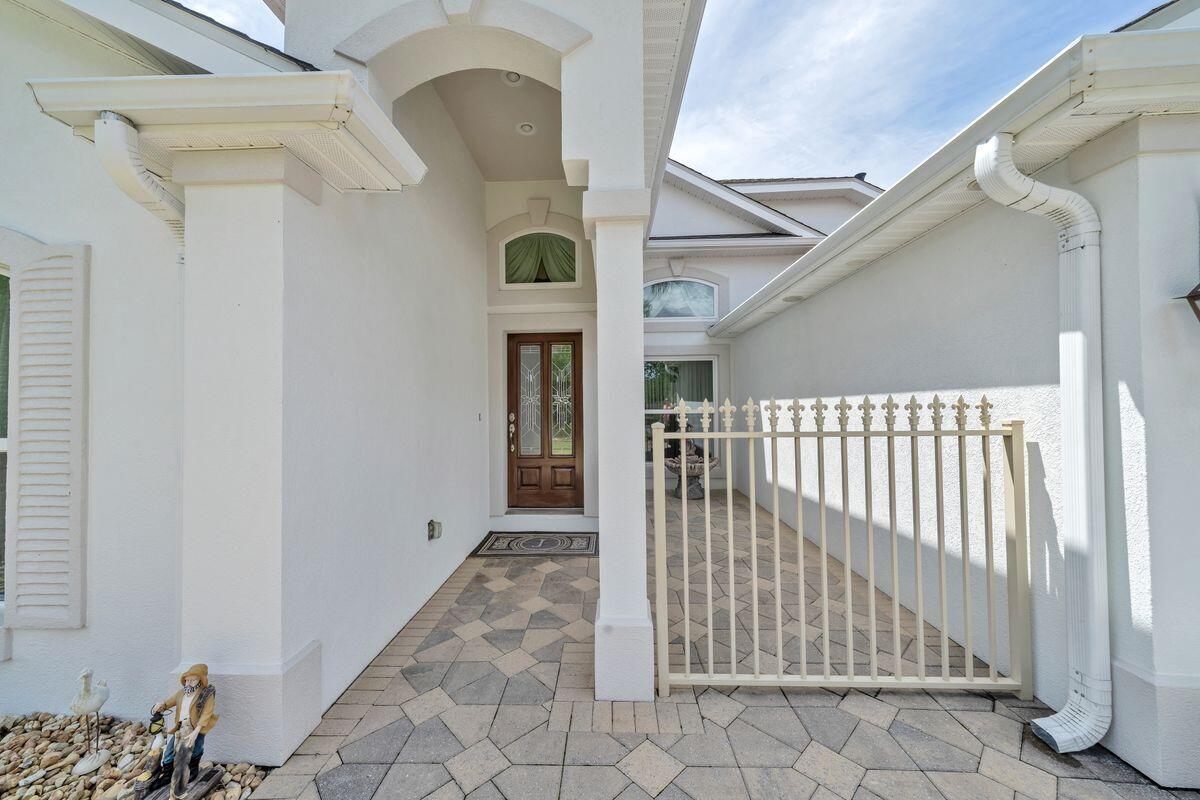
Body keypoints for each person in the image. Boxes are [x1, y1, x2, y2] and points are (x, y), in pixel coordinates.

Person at [153, 664, 219, 785]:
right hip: (181, 726)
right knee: (170, 750)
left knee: (196, 748)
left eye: (192, 680)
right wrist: (161, 705)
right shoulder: (181, 693)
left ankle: (193, 771)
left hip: (196, 727)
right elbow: (168, 702)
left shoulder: (206, 695)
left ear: (200, 680)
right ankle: (167, 775)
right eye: (187, 680)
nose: (188, 683)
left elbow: (206, 713)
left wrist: (196, 731)